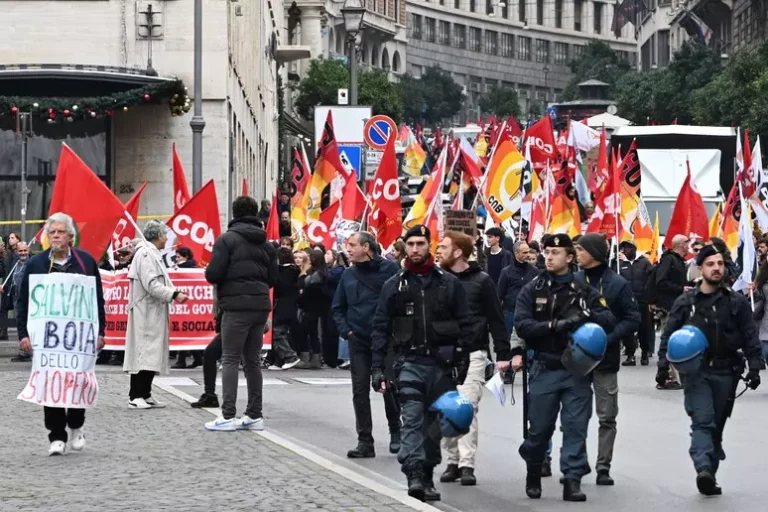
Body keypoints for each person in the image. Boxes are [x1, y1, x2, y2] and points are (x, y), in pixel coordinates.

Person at [371, 225, 475, 502]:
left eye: (420, 243)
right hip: (409, 363)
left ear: (430, 245)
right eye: (411, 244)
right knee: (412, 421)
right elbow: (381, 327)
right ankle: (414, 473)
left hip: (441, 365)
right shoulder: (394, 285)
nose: (415, 249)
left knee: (434, 426)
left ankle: (427, 473)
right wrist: (378, 367)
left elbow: (466, 324)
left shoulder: (448, 283)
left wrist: (462, 357)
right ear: (404, 247)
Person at [514, 233, 616, 502]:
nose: (548, 256)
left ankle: (572, 479)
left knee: (575, 426)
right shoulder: (533, 289)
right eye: (546, 252)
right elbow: (522, 325)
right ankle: (533, 469)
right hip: (544, 366)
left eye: (555, 253)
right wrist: (553, 326)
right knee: (539, 429)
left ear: (570, 258)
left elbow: (608, 318)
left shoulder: (583, 290)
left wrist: (586, 314)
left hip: (575, 370)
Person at [656, 245, 764, 495]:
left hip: (728, 372)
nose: (717, 268)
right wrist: (663, 365)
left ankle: (709, 474)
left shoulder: (735, 301)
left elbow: (750, 335)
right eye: (711, 264)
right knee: (703, 420)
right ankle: (703, 466)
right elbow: (669, 334)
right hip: (697, 372)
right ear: (700, 268)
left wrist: (755, 366)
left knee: (717, 423)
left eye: (720, 264)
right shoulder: (686, 302)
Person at [16, 214, 106, 455]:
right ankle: (56, 436)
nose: (55, 236)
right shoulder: (36, 264)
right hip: (47, 338)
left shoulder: (85, 262)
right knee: (50, 382)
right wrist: (23, 334)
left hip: (78, 337)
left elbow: (96, 299)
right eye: (52, 232)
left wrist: (100, 332)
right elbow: (23, 300)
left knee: (76, 380)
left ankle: (76, 425)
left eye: (60, 232)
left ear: (70, 237)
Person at [436, 231, 508, 486]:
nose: (438, 250)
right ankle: (452, 461)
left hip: (474, 352)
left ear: (458, 252)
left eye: (444, 247)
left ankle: (466, 464)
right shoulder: (437, 280)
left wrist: (503, 355)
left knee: (465, 407)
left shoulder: (482, 281)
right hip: (442, 353)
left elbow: (496, 319)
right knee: (446, 406)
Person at [204, 196, 278, 431]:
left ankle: (227, 415)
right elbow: (274, 279)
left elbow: (214, 274)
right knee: (252, 361)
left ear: (234, 213)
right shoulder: (267, 244)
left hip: (236, 306)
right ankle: (254, 414)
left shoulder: (227, 240)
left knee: (229, 358)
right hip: (260, 306)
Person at [574, 234, 640, 487]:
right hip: (576, 359)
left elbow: (632, 318)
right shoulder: (574, 280)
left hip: (605, 360)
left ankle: (603, 467)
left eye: (581, 250)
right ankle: (576, 462)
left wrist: (610, 337)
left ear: (594, 253)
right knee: (575, 415)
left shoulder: (618, 284)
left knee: (607, 417)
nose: (577, 254)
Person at [333, 232, 402, 459]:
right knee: (359, 391)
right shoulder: (348, 275)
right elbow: (338, 308)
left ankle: (396, 431)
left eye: (352, 245)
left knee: (388, 386)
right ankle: (365, 441)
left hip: (386, 339)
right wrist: (348, 332)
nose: (348, 249)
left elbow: (401, 302)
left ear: (366, 247)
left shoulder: (390, 270)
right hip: (359, 340)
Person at [124, 223, 189, 409]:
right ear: (157, 236)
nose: (167, 238)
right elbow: (151, 284)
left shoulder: (152, 254)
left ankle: (146, 393)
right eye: (164, 235)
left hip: (154, 311)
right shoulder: (145, 254)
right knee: (143, 352)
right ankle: (135, 396)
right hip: (146, 311)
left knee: (153, 352)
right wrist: (174, 295)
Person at [652, 234, 690, 390]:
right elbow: (661, 282)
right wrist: (681, 289)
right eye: (687, 243)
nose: (689, 246)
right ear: (681, 245)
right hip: (668, 308)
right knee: (669, 342)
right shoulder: (669, 260)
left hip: (677, 307)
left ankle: (673, 376)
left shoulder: (679, 261)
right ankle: (667, 376)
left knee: (675, 342)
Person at [619, 240, 654, 366]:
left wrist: (649, 298)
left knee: (643, 328)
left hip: (642, 301)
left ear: (634, 249)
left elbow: (651, 281)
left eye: (628, 248)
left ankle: (645, 353)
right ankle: (630, 355)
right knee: (628, 329)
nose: (625, 251)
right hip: (626, 303)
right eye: (623, 249)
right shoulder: (621, 264)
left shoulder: (644, 262)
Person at [497, 241, 538, 339]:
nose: (527, 255)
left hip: (528, 313)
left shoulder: (534, 271)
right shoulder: (506, 272)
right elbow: (499, 295)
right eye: (524, 253)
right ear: (516, 254)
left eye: (528, 252)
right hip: (510, 313)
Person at [270, 247, 301, 370]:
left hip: (284, 306)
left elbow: (279, 287)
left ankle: (290, 356)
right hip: (290, 306)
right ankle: (279, 361)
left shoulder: (285, 271)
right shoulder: (293, 270)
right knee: (283, 333)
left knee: (276, 332)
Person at [296, 250, 328, 369]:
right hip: (312, 307)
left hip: (312, 307)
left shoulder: (318, 274)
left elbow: (306, 284)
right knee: (312, 333)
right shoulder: (318, 272)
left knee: (305, 332)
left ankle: (307, 359)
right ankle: (315, 359)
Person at [0, 231, 20, 342]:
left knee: (18, 308)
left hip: (15, 284)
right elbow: (3, 270)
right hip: (6, 284)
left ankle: (23, 331)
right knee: (3, 309)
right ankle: (3, 331)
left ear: (18, 239)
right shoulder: (8, 254)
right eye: (9, 238)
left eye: (13, 237)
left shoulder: (20, 252)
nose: (10, 239)